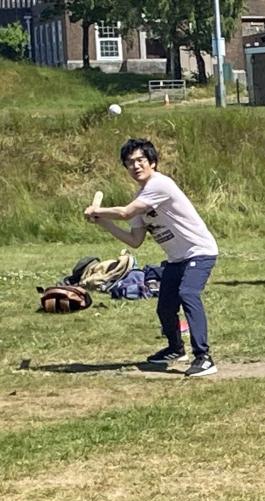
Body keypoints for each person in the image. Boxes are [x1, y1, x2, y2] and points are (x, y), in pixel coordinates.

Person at [84, 138, 219, 377]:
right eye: (129, 163)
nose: (135, 166)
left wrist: (97, 211)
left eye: (140, 161)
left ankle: (204, 357)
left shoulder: (159, 184)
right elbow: (135, 240)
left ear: (153, 163)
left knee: (187, 293)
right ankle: (175, 349)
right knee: (165, 306)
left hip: (200, 251)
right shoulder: (141, 198)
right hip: (177, 258)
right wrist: (103, 223)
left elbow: (125, 213)